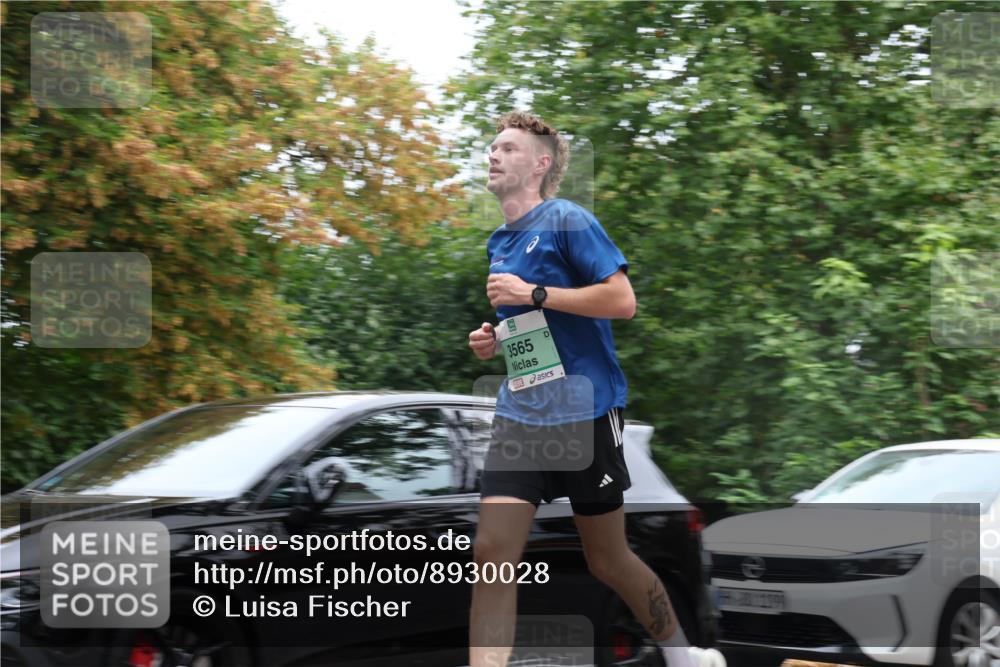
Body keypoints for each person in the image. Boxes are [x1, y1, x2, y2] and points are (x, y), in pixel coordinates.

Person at [467, 111, 725, 667]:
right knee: (492, 553)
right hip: (522, 416)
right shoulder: (499, 241)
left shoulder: (568, 220)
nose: (493, 154)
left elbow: (621, 301)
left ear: (540, 164)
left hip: (585, 412)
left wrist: (532, 293)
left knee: (607, 560)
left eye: (508, 148)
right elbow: (537, 331)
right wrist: (496, 339)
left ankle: (684, 655)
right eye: (492, 146)